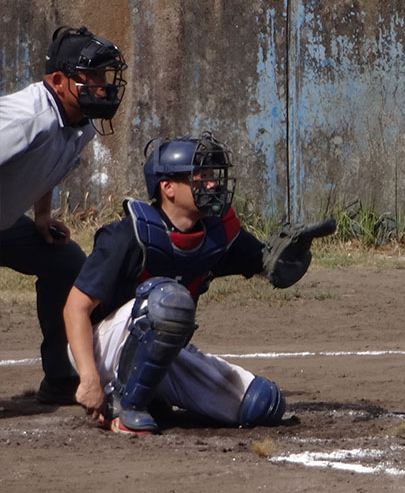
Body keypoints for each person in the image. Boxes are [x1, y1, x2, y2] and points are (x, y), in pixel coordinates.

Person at [63, 132, 334, 434]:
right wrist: (89, 378)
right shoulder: (126, 236)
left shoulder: (216, 234)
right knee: (168, 302)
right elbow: (75, 308)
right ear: (167, 187)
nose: (212, 184)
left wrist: (289, 255)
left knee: (262, 403)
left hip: (160, 346)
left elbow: (267, 266)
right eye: (200, 176)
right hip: (100, 347)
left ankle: (149, 393)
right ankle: (125, 407)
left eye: (212, 176)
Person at [0, 26, 127, 405]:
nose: (103, 86)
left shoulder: (81, 122)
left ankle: (60, 376)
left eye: (105, 76)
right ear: (58, 81)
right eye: (91, 77)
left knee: (67, 263)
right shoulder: (26, 119)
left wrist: (41, 215)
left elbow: (46, 167)